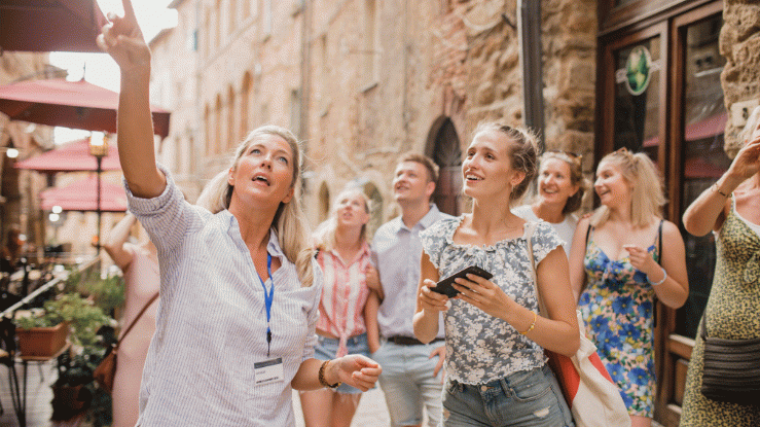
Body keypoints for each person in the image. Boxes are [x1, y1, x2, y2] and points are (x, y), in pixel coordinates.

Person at [96, 2, 381, 425]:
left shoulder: (302, 273)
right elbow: (141, 174)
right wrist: (135, 73)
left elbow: (294, 368)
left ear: (288, 191)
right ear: (233, 173)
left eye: (281, 159)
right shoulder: (189, 233)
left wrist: (330, 371)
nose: (266, 162)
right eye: (255, 152)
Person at [413, 123, 579, 427]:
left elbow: (569, 340)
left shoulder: (538, 238)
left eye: (488, 156)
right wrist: (428, 308)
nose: (472, 162)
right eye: (471, 153)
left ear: (515, 176)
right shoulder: (438, 238)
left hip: (528, 400)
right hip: (460, 402)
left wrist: (508, 311)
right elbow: (423, 333)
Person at [569, 148, 689, 427]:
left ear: (633, 180)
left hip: (633, 351)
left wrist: (653, 269)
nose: (598, 184)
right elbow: (572, 288)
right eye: (597, 176)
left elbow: (678, 298)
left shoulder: (664, 232)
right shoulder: (588, 226)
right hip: (588, 346)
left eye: (607, 175)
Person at [679, 108, 760, 426]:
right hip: (722, 354)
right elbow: (694, 225)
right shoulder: (730, 196)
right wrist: (733, 175)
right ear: (746, 136)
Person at [366, 152, 451, 427]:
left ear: (430, 188)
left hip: (436, 353)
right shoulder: (382, 235)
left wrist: (455, 346)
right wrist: (377, 348)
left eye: (411, 174)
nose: (401, 178)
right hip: (391, 355)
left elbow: (468, 294)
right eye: (398, 174)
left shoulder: (453, 230)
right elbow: (374, 293)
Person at [299, 187, 377, 427]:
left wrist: (376, 349)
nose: (348, 206)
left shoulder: (372, 258)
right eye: (343, 201)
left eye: (356, 204)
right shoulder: (315, 251)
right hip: (319, 348)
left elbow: (373, 306)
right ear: (334, 210)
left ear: (365, 217)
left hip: (357, 348)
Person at [102, 212, 159, 427]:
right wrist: (136, 209)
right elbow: (111, 244)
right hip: (133, 361)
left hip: (168, 362)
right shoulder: (135, 255)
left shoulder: (182, 259)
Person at [512, 150, 588, 257]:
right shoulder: (517, 217)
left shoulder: (576, 228)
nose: (548, 181)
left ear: (573, 189)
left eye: (559, 176)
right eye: (545, 174)